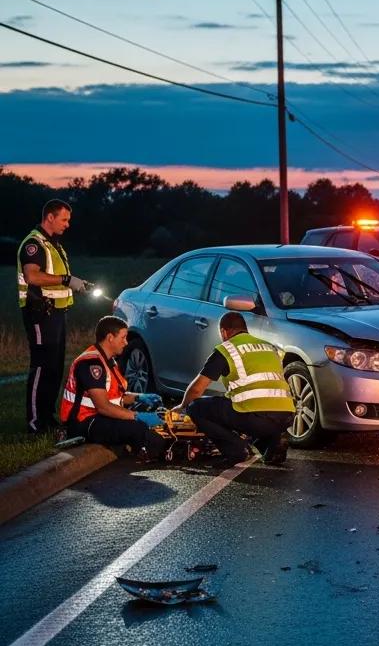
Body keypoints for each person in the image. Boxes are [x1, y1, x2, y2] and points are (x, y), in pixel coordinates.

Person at [173, 312, 294, 466]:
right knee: (243, 410)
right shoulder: (269, 347)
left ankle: (236, 450)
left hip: (255, 416)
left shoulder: (227, 349)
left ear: (224, 332)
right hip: (286, 416)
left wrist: (183, 407)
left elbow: (197, 390)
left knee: (196, 407)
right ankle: (272, 445)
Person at [18, 200, 93, 433]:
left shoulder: (53, 244)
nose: (67, 224)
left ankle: (47, 419)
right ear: (50, 217)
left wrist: (76, 284)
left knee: (54, 367)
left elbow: (57, 277)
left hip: (57, 313)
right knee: (42, 366)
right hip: (41, 313)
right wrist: (66, 280)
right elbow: (32, 276)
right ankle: (35, 423)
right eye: (64, 219)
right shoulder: (34, 244)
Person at [60, 316, 167, 461]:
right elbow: (103, 407)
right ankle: (151, 450)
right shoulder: (92, 364)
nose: (126, 342)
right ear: (110, 338)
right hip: (84, 422)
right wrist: (136, 416)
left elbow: (115, 395)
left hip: (98, 416)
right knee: (137, 428)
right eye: (123, 338)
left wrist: (139, 397)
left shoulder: (107, 359)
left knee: (153, 410)